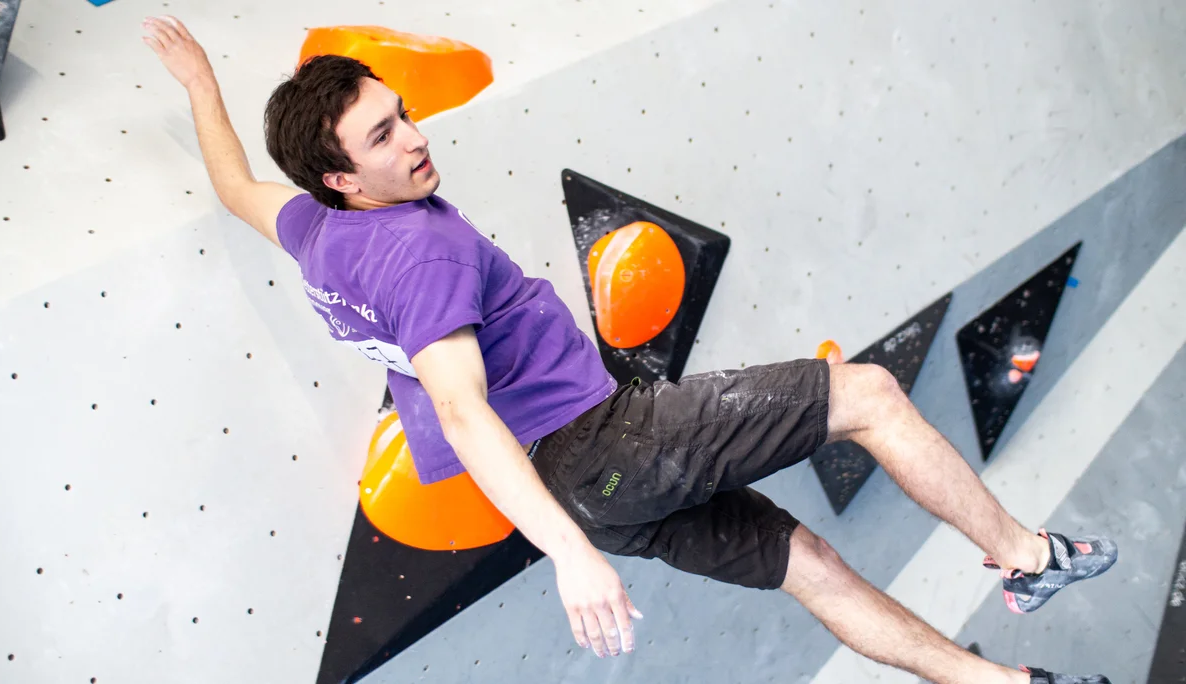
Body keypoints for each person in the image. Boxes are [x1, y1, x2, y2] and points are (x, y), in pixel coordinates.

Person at [141, 16, 1118, 684]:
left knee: (811, 565)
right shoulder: (421, 254)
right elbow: (462, 411)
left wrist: (200, 83)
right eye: (384, 135)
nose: (414, 137)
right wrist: (566, 555)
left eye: (402, 113)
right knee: (864, 393)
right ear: (343, 177)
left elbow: (233, 185)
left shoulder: (317, 232)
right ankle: (1026, 557)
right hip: (602, 445)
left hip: (591, 493)